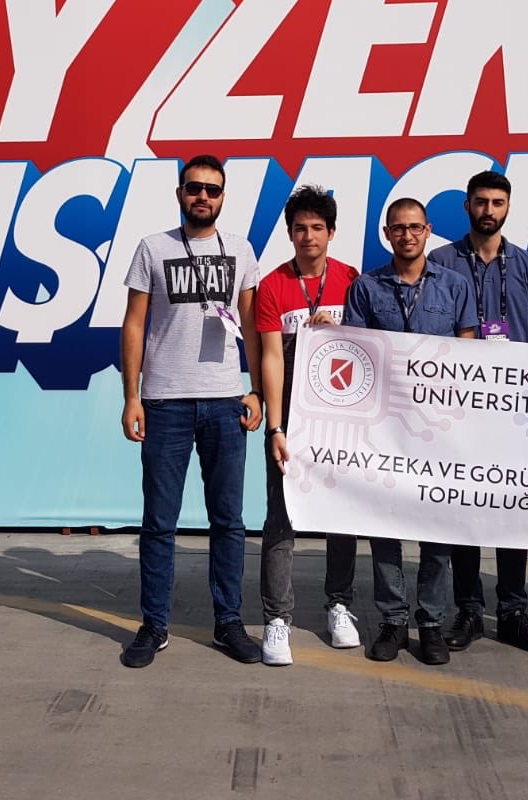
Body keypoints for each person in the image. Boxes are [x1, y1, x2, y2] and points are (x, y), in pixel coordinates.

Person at [119, 154, 264, 669]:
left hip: (225, 402)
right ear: (180, 193)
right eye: (194, 187)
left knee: (229, 521)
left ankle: (229, 622)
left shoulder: (241, 250)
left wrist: (256, 391)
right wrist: (131, 396)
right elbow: (134, 324)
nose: (203, 196)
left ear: (223, 196)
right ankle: (154, 625)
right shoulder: (152, 248)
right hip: (165, 403)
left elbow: (253, 326)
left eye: (212, 189)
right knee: (159, 523)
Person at [425, 170, 528, 657]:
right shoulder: (441, 261)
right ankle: (467, 609)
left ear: (508, 207)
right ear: (467, 206)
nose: (488, 210)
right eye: (481, 201)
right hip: (459, 406)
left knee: (511, 509)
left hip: (514, 408)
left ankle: (513, 611)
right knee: (463, 508)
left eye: (497, 202)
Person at [342, 197, 476, 666]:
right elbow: (355, 353)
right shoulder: (366, 287)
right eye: (398, 228)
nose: (407, 235)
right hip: (384, 428)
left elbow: (470, 354)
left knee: (436, 529)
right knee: (384, 529)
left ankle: (431, 622)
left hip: (439, 429)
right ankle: (393, 621)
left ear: (428, 230)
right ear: (386, 233)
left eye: (415, 227)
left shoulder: (455, 286)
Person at [256, 185, 362, 666]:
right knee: (281, 518)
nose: (308, 236)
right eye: (300, 228)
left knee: (341, 516)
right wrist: (275, 428)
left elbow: (369, 350)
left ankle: (339, 605)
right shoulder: (273, 286)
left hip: (341, 421)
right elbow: (271, 358)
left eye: (317, 227)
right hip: (291, 422)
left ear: (331, 233)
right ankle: (277, 618)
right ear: (289, 233)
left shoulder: (352, 280)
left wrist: (339, 331)